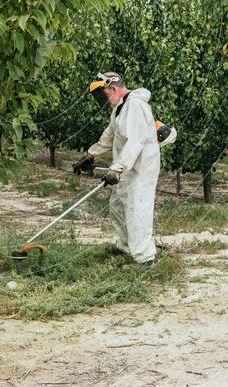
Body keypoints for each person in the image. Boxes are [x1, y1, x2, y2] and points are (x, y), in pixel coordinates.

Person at [73, 72, 176, 265]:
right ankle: (126, 246)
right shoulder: (120, 108)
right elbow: (109, 136)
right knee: (118, 206)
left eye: (102, 94)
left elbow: (135, 141)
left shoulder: (135, 105)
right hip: (126, 167)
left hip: (140, 167)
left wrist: (117, 168)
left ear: (113, 88)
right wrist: (90, 155)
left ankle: (145, 258)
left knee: (137, 208)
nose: (101, 100)